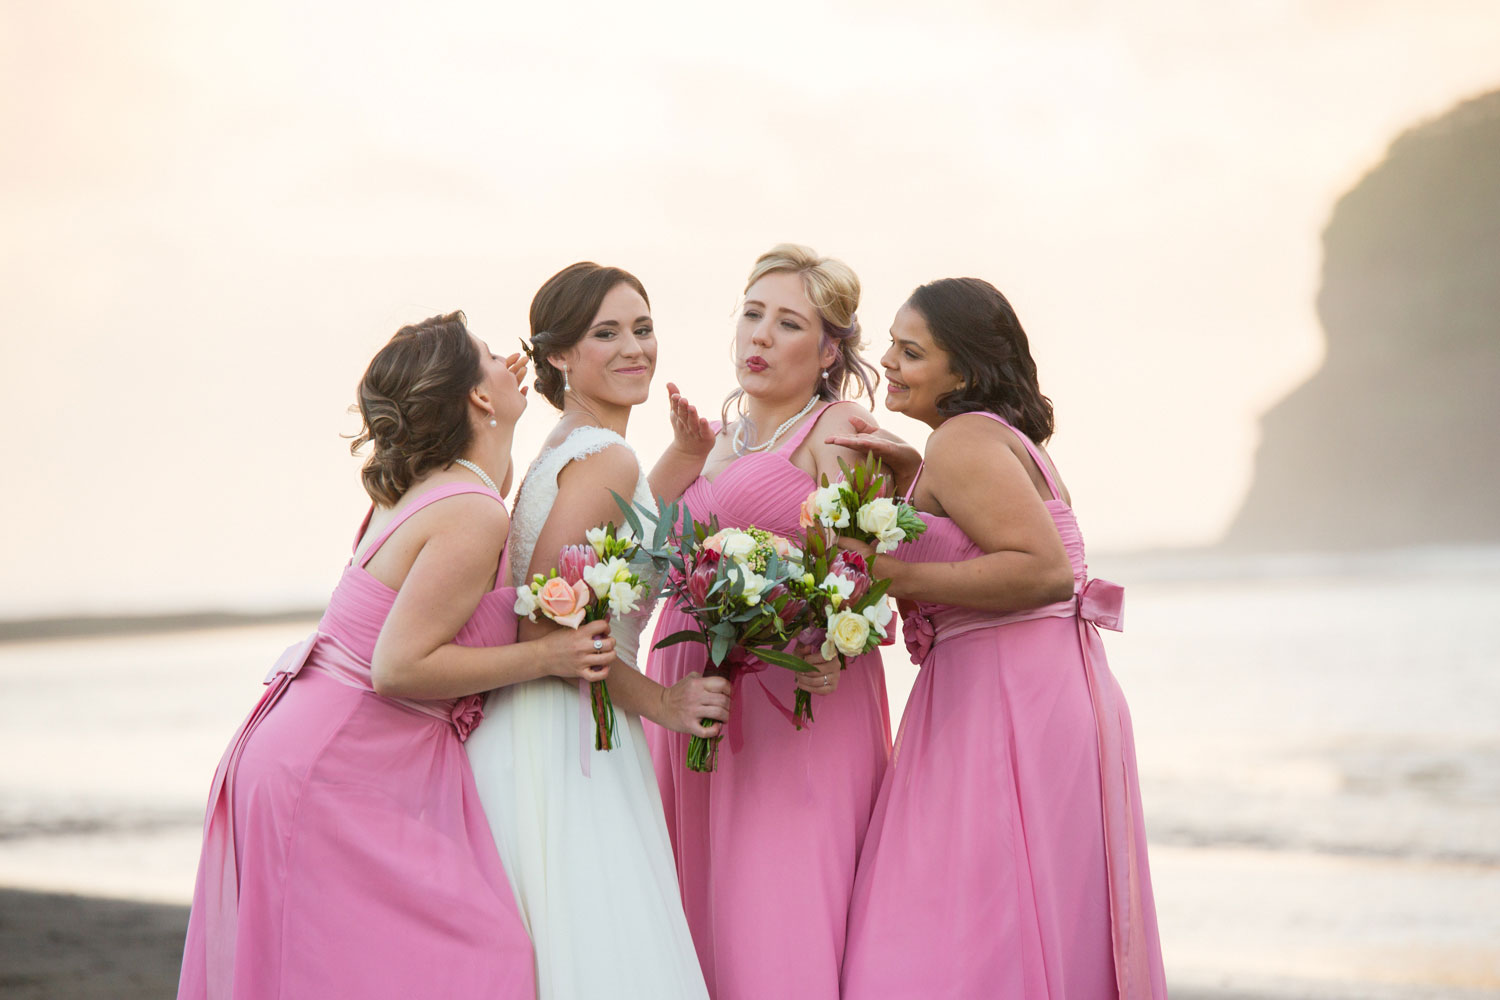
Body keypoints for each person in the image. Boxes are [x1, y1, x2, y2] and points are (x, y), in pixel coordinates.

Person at [178, 312, 614, 999]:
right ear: (474, 398)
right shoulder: (471, 509)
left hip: (308, 753)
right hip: (329, 772)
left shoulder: (433, 490)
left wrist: (495, 390)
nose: (511, 358)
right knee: (483, 956)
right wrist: (549, 657)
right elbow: (399, 668)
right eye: (487, 356)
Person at [833, 278, 1168, 998]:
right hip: (1037, 691)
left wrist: (885, 573)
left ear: (966, 371)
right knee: (1001, 921)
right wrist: (907, 484)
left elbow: (1042, 572)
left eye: (910, 350)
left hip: (1006, 703)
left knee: (947, 926)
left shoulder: (962, 440)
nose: (887, 360)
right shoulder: (984, 442)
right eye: (892, 343)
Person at [463, 263, 722, 999]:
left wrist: (686, 459)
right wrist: (667, 704)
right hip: (569, 742)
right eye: (605, 333)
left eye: (642, 328)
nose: (634, 347)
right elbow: (554, 625)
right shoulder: (604, 454)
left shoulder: (569, 449)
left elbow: (619, 531)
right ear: (557, 356)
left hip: (552, 731)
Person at [644, 244, 893, 999]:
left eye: (787, 323)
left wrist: (839, 650)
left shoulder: (839, 426)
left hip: (794, 703)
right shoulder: (717, 438)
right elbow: (650, 560)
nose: (758, 336)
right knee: (697, 918)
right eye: (751, 314)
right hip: (691, 698)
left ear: (828, 350)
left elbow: (870, 573)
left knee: (776, 922)